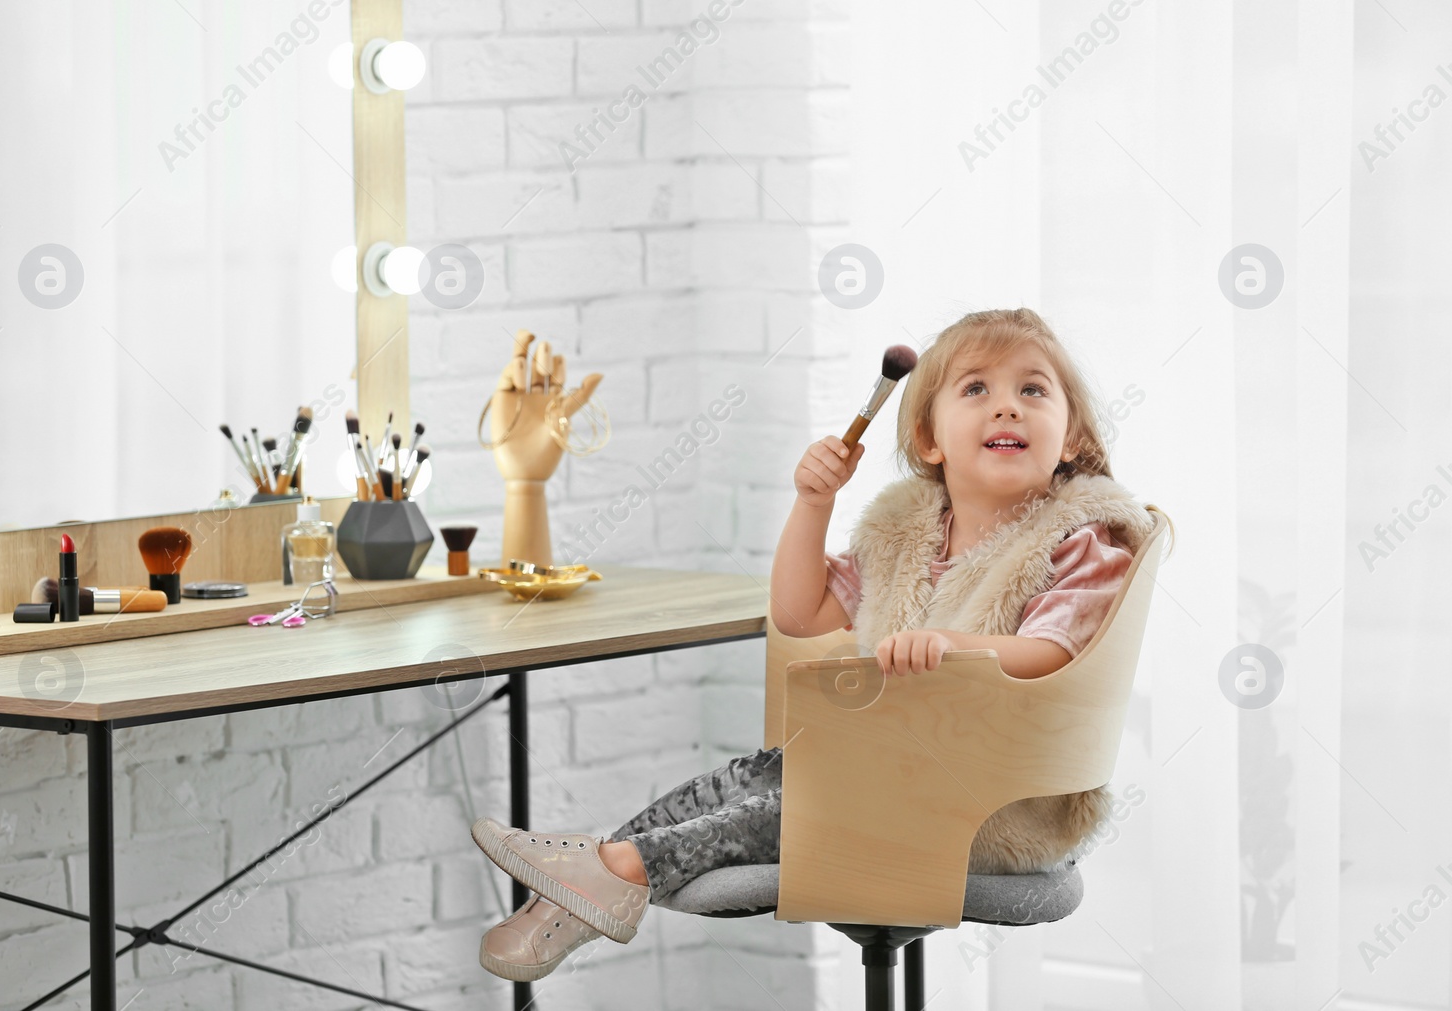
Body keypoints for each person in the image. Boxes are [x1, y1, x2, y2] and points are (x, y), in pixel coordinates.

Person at [468, 308, 1166, 982]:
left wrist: (949, 644)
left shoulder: (1081, 538)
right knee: (754, 776)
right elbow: (801, 613)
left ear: (1071, 436)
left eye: (1033, 390)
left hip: (998, 803)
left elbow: (1053, 655)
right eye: (977, 388)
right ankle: (590, 881)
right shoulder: (905, 533)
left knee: (809, 799)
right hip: (891, 777)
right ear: (930, 439)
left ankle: (613, 868)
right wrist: (814, 503)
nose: (1007, 406)